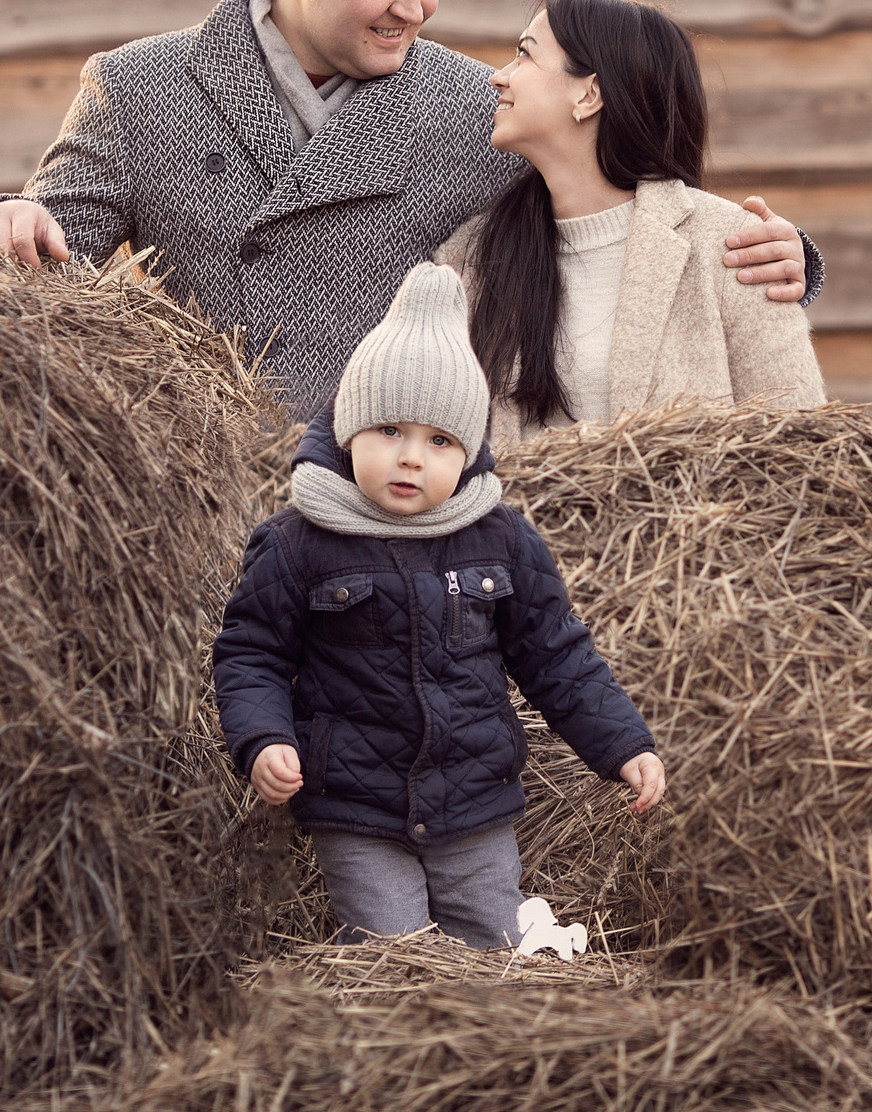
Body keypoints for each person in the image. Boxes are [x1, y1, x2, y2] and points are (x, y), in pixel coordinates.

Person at [0, 0, 818, 417]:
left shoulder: (469, 105)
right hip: (221, 514)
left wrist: (782, 262)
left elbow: (619, 209)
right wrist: (9, 217)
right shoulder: (138, 87)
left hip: (405, 525)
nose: (420, 8)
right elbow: (45, 254)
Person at [212, 263, 662, 950]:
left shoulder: (500, 538)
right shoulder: (298, 543)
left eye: (439, 441)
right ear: (348, 431)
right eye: (389, 430)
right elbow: (253, 653)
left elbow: (556, 654)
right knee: (395, 955)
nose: (412, 458)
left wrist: (622, 745)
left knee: (492, 947)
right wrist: (264, 739)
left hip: (474, 799)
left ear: (469, 451)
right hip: (357, 806)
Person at [438, 0, 825, 449]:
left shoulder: (735, 247)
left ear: (589, 94)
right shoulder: (470, 259)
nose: (499, 78)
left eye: (525, 54)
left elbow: (802, 445)